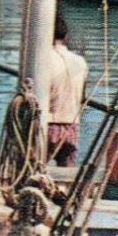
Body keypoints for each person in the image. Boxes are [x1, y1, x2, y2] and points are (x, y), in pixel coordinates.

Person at [48, 16, 88, 167]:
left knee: (32, 170)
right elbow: (82, 96)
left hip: (48, 125)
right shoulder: (80, 62)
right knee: (67, 170)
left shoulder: (42, 59)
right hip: (71, 126)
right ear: (66, 37)